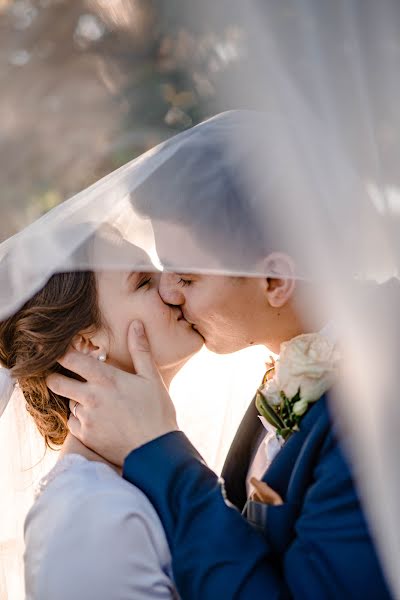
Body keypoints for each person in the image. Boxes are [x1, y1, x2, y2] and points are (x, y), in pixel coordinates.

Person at [47, 112, 394, 598]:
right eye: (156, 275)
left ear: (274, 280)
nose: (170, 294)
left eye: (186, 277)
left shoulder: (379, 400)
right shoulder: (290, 371)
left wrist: (159, 448)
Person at [0, 229, 203, 599]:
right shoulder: (86, 515)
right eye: (144, 282)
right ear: (87, 343)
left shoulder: (136, 473)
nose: (174, 286)